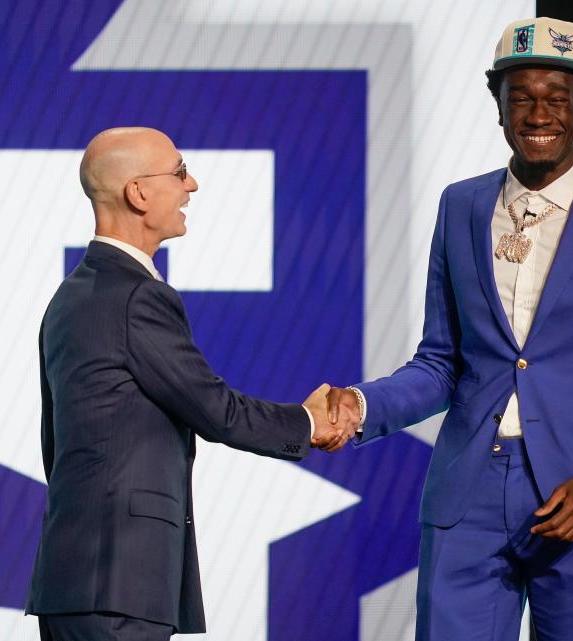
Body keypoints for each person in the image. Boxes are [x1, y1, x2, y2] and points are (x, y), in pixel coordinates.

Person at [326, 17, 573, 641]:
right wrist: (360, 405)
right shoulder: (461, 205)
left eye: (558, 97)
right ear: (497, 106)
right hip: (467, 495)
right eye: (521, 97)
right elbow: (442, 363)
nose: (539, 112)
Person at [25, 127, 349, 640]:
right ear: (138, 193)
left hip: (77, 581)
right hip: (119, 585)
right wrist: (308, 422)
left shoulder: (71, 297)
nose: (191, 184)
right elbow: (213, 408)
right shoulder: (135, 297)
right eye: (178, 172)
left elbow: (57, 447)